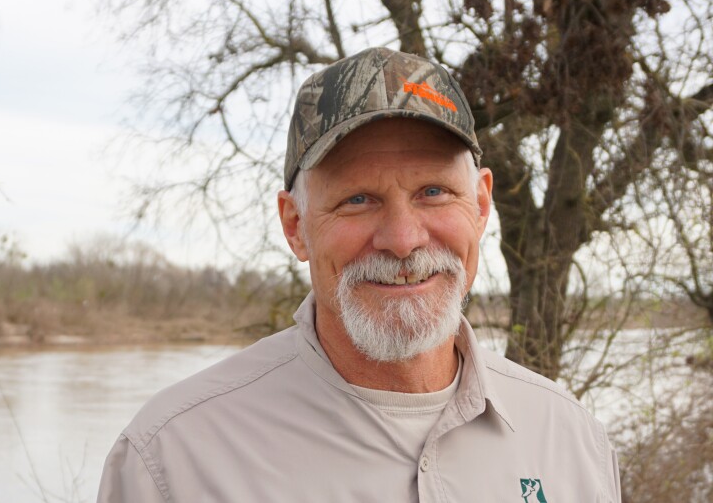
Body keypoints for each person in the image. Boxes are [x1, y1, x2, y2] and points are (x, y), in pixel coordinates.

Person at [97, 47, 621, 502]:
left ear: (481, 205)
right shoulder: (173, 460)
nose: (402, 238)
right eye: (358, 199)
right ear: (296, 226)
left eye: (433, 192)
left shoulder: (570, 440)